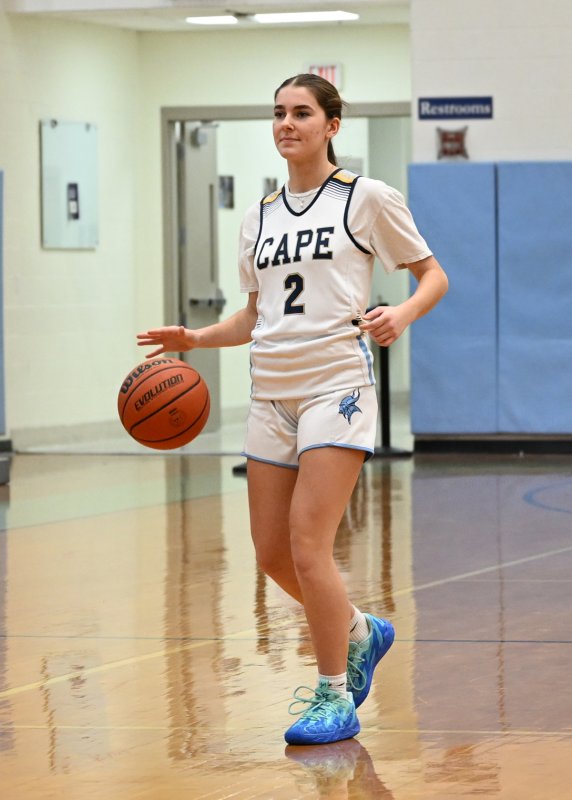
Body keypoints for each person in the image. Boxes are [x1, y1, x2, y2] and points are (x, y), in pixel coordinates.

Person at [137, 73, 448, 746]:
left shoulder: (366, 198)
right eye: (278, 113)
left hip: (336, 387)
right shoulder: (259, 215)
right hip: (269, 393)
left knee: (310, 546)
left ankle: (334, 695)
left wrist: (401, 314)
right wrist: (193, 338)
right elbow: (254, 316)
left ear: (331, 125)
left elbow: (433, 276)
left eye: (301, 112)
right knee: (274, 553)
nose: (286, 123)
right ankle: (362, 630)